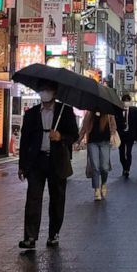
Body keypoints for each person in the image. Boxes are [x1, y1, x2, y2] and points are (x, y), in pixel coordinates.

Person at [18, 81, 79, 250]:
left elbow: (74, 134)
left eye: (47, 90)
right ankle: (30, 236)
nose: (44, 93)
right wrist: (22, 165)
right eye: (41, 90)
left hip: (57, 160)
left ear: (54, 92)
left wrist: (61, 137)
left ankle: (54, 234)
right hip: (36, 161)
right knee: (33, 198)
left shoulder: (65, 112)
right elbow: (25, 140)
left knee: (57, 199)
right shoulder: (31, 114)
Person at [77, 110, 117, 200]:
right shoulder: (89, 113)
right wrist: (78, 140)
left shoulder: (108, 113)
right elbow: (84, 127)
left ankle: (103, 184)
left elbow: (113, 126)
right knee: (95, 166)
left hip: (105, 142)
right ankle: (96, 189)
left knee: (104, 167)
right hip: (92, 143)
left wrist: (112, 134)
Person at [117, 94, 137, 177]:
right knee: (121, 153)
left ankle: (127, 169)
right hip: (121, 135)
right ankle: (124, 167)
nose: (126, 102)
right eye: (124, 101)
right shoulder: (118, 111)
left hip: (130, 135)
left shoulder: (134, 111)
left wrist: (136, 135)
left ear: (130, 101)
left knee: (128, 152)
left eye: (127, 100)